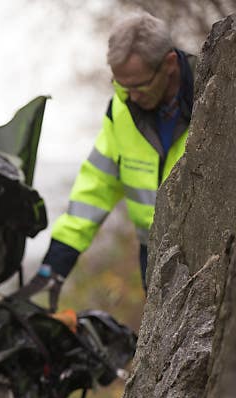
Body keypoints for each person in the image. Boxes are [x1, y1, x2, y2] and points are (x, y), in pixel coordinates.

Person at [19, 12, 195, 309]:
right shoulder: (121, 108)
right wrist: (55, 267)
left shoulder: (217, 94)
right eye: (121, 85)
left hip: (211, 253)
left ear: (169, 65)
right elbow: (96, 187)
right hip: (152, 254)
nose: (131, 96)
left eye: (139, 86)